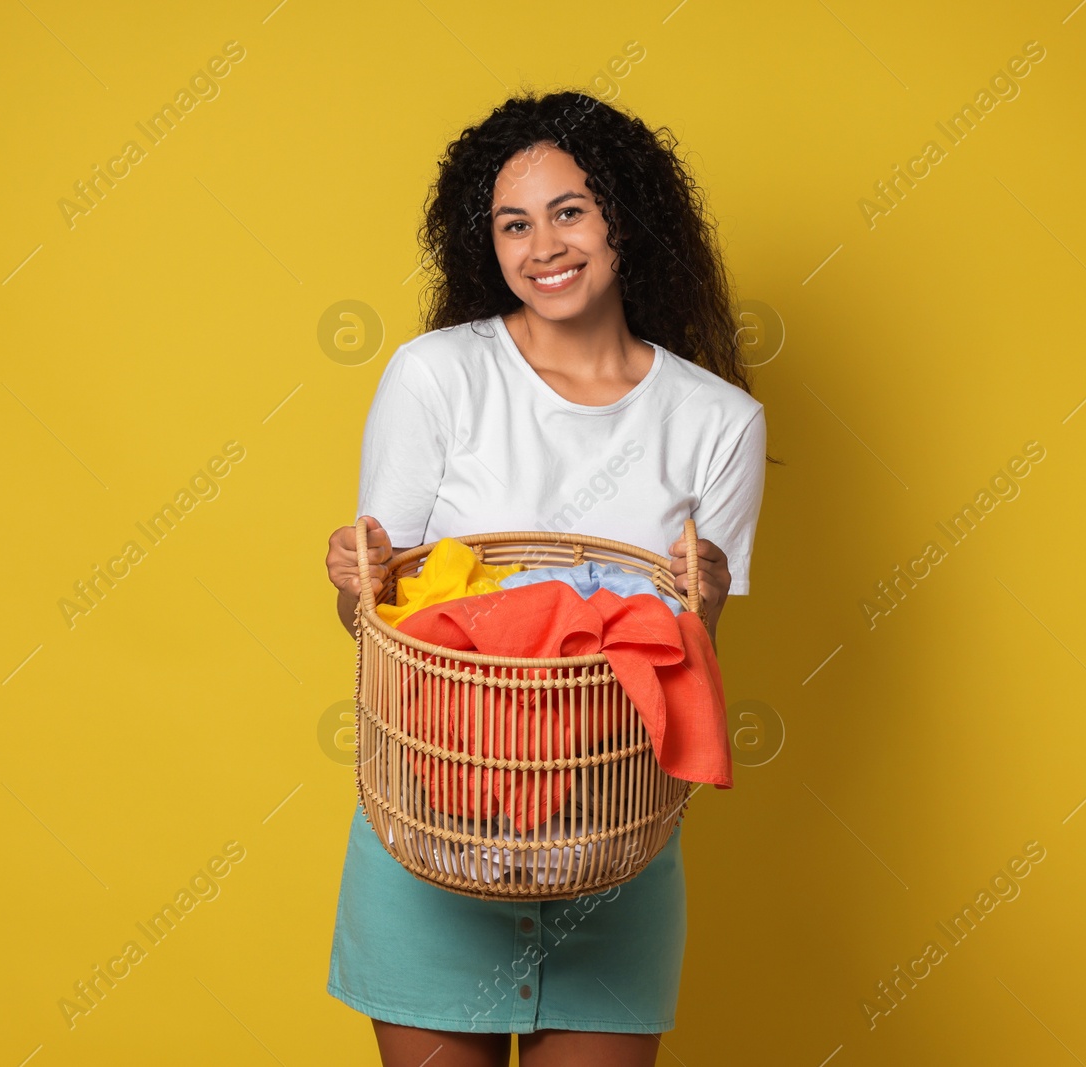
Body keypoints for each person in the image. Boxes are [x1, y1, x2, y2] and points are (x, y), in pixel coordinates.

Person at [321, 89, 768, 1067]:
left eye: (569, 210)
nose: (542, 245)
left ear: (624, 215)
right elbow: (380, 627)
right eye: (512, 223)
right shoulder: (435, 375)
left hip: (613, 844)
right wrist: (353, 579)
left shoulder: (718, 420)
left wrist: (711, 594)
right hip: (435, 831)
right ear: (485, 244)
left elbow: (685, 664)